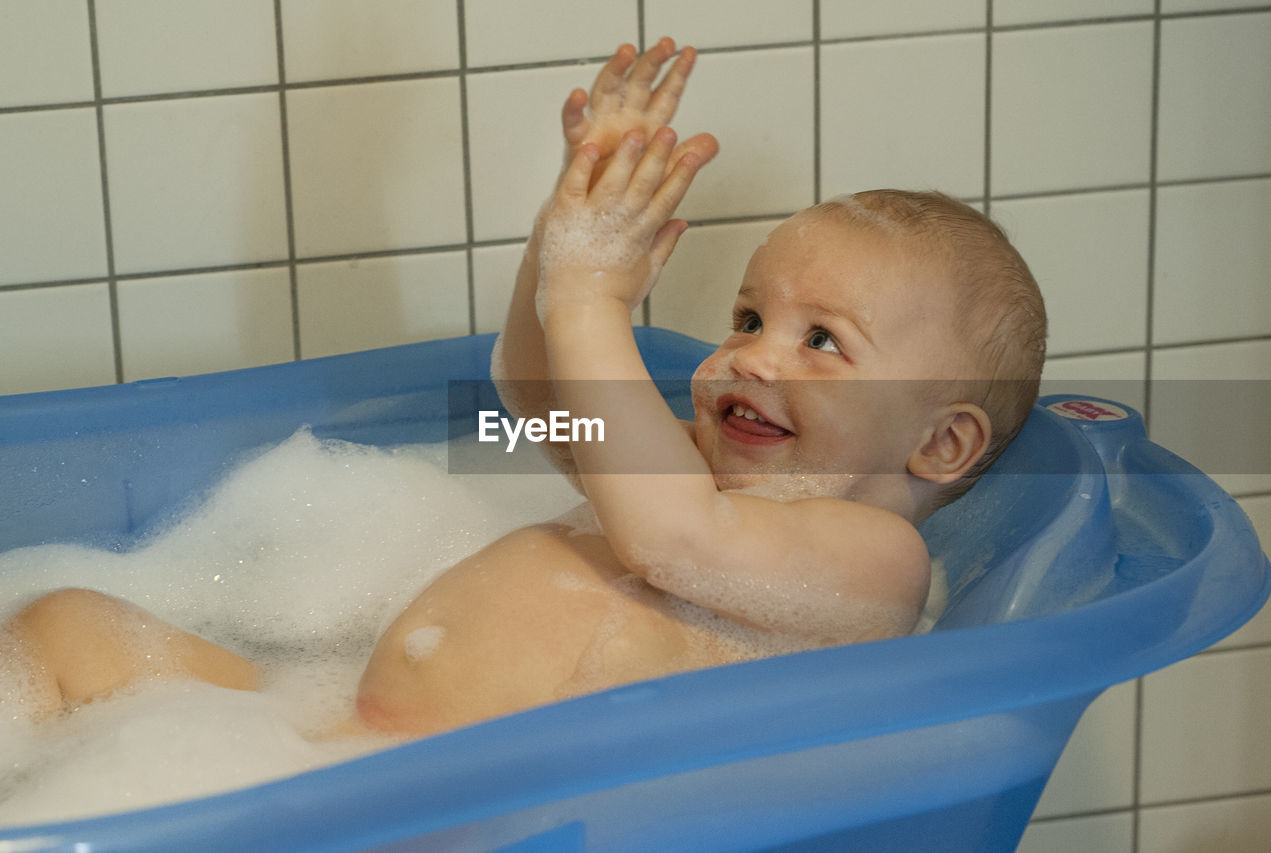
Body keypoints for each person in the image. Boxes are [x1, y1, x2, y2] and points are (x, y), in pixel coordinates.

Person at [1, 39, 1045, 738]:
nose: (749, 356)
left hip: (465, 817)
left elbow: (669, 545)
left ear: (940, 445)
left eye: (821, 340)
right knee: (65, 623)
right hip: (325, 738)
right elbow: (534, 395)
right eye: (745, 318)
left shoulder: (874, 563)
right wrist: (567, 238)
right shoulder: (682, 468)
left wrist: (594, 295)